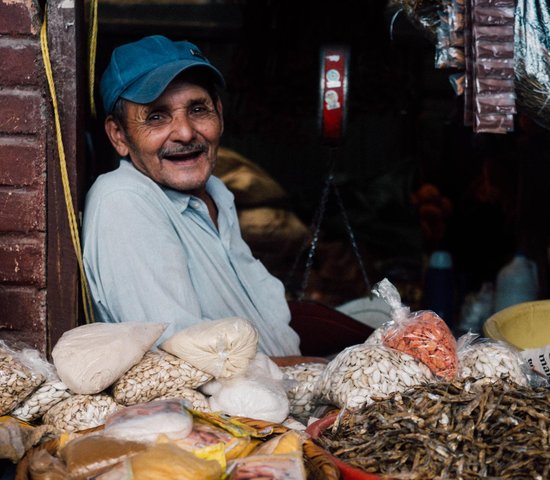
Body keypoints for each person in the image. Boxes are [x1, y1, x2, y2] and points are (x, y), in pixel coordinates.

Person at [82, 35, 302, 358]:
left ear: (220, 116)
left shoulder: (217, 194)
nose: (185, 132)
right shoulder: (123, 201)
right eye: (156, 116)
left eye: (198, 109)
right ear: (119, 136)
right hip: (219, 407)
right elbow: (184, 358)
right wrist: (306, 369)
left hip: (278, 396)